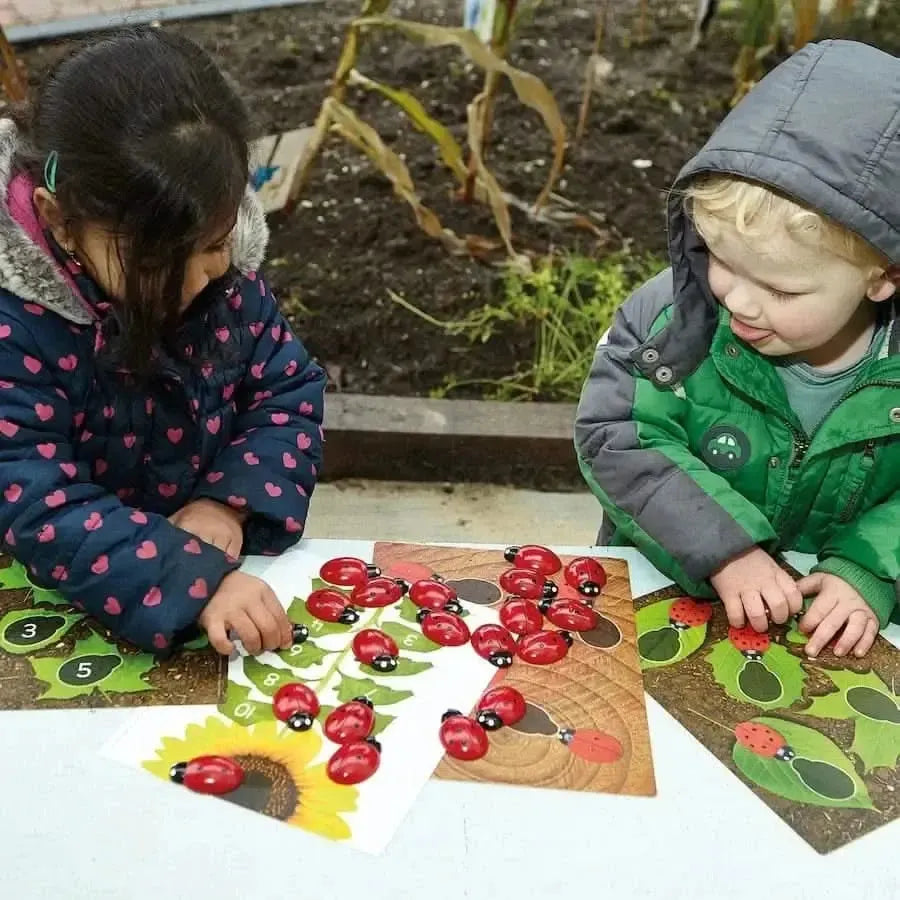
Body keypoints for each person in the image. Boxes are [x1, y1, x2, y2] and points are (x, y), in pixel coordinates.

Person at [0, 28, 326, 657]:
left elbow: (286, 391)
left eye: (214, 242)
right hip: (44, 599)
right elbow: (32, 497)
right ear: (60, 220)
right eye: (158, 261)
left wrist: (225, 504)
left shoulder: (227, 278)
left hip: (200, 574)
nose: (201, 277)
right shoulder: (17, 328)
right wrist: (185, 576)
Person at [575, 39, 899, 660]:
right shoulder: (668, 320)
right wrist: (724, 547)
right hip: (662, 586)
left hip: (836, 630)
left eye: (779, 288)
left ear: (884, 276)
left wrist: (871, 570)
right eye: (720, 258)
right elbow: (617, 433)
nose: (740, 303)